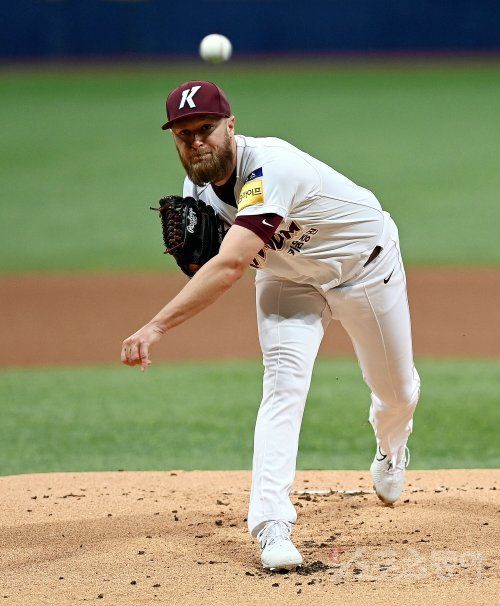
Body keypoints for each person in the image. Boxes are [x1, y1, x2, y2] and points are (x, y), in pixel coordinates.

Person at [121, 80, 420, 571]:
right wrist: (195, 264)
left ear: (230, 126)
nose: (196, 142)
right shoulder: (196, 189)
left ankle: (392, 447)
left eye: (205, 128)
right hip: (287, 279)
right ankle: (271, 526)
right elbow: (211, 264)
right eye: (183, 134)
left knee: (398, 392)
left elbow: (229, 266)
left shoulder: (271, 167)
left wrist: (156, 326)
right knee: (282, 386)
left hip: (363, 269)